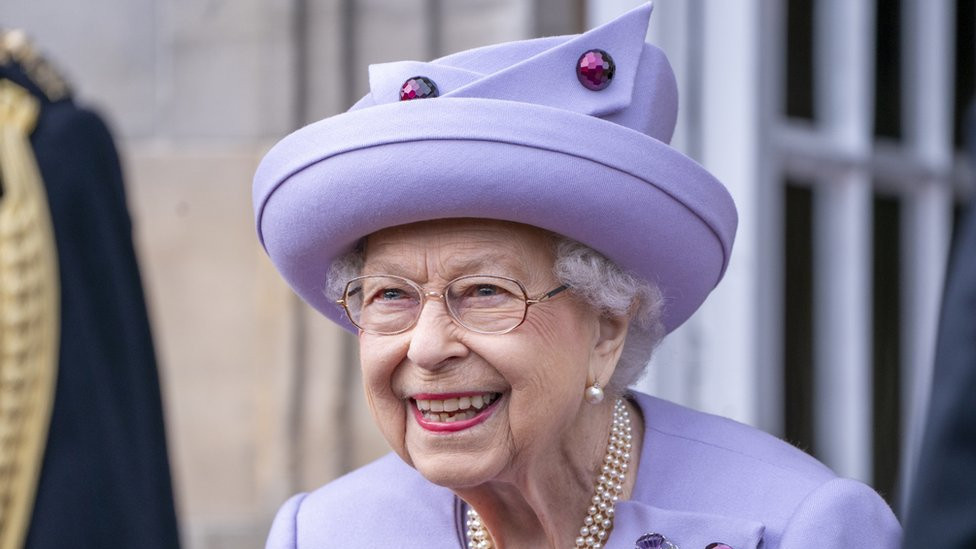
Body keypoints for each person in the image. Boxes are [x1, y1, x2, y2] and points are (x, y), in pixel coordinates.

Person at [253, 5, 900, 548]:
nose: (426, 347)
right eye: (390, 294)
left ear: (607, 329)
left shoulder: (802, 526)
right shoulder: (322, 533)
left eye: (484, 292)